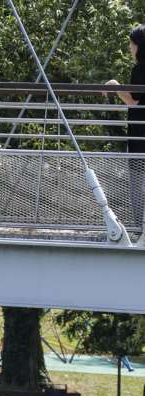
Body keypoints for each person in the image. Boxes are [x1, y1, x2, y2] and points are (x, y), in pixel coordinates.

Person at [106, 24, 145, 241]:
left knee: (137, 183)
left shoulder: (140, 69)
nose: (130, 48)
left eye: (132, 43)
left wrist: (114, 85)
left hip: (141, 133)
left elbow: (133, 100)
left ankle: (141, 228)